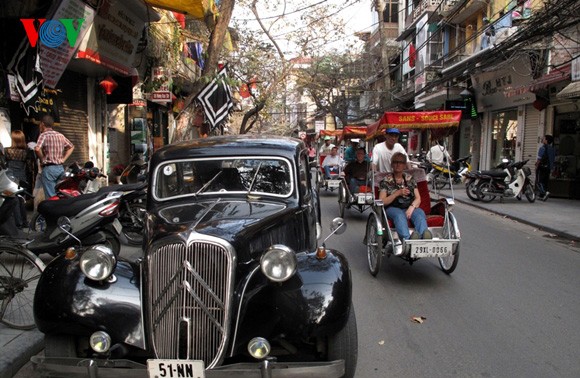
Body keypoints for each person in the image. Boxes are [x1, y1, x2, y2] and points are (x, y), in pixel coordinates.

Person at [379, 152, 431, 256]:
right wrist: (397, 193)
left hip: (409, 206)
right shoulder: (386, 180)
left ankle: (423, 239)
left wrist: (412, 207)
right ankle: (407, 242)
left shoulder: (409, 179)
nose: (398, 164)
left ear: (404, 165)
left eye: (401, 162)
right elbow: (382, 201)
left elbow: (418, 198)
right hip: (392, 207)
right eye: (396, 162)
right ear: (392, 164)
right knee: (400, 216)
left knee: (420, 213)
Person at [35, 114, 75, 198]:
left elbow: (37, 149)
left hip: (49, 169)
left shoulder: (43, 135)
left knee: (51, 196)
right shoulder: (60, 135)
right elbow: (71, 146)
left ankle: (53, 210)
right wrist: (63, 159)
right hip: (60, 168)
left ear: (42, 124)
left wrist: (42, 159)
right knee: (59, 193)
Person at [4, 130, 33, 228]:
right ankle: (24, 222)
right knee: (21, 200)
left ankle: (18, 223)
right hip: (22, 177)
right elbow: (29, 167)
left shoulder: (7, 151)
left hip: (10, 178)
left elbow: (4, 165)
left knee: (13, 200)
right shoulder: (26, 152)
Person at [535, 134, 555, 201]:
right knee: (545, 181)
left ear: (546, 140)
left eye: (543, 138)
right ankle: (542, 195)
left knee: (539, 181)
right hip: (548, 167)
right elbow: (552, 159)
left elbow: (539, 158)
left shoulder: (542, 148)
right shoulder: (552, 149)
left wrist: (537, 165)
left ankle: (544, 192)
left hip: (542, 167)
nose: (542, 139)